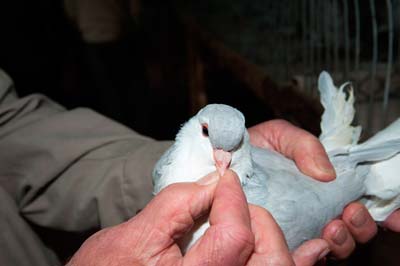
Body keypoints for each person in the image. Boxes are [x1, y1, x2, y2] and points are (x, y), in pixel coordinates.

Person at [0, 68, 396, 266]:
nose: (222, 161)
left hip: (326, 186)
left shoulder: (263, 213)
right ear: (197, 127)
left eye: (235, 146)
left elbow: (10, 124)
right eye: (208, 136)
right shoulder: (167, 168)